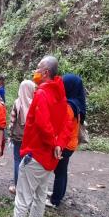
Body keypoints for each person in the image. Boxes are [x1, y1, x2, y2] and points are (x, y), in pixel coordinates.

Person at [10, 55, 73, 217]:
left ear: (45, 72)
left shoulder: (42, 93)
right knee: (40, 195)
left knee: (23, 197)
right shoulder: (61, 94)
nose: (35, 72)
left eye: (38, 68)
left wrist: (54, 143)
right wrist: (59, 144)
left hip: (36, 154)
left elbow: (43, 124)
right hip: (50, 158)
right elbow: (67, 124)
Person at [46, 73, 86, 208]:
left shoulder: (69, 106)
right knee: (62, 171)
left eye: (64, 85)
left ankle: (55, 200)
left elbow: (63, 128)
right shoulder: (77, 102)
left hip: (66, 144)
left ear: (69, 87)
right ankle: (59, 194)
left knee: (59, 172)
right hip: (71, 143)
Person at [8, 80, 36, 194]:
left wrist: (10, 135)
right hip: (30, 138)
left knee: (17, 160)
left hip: (18, 137)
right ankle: (28, 187)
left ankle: (17, 186)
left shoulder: (17, 102)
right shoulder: (35, 103)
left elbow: (12, 121)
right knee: (29, 161)